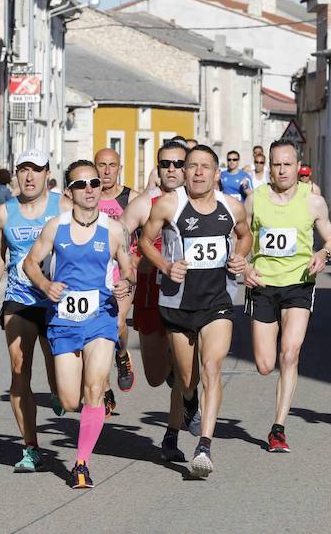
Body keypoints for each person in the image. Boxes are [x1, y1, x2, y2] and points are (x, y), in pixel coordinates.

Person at [139, 144, 252, 478]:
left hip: (218, 301)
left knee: (211, 367)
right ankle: (188, 403)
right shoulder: (169, 205)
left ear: (217, 174)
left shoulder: (232, 207)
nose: (199, 172)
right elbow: (146, 241)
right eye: (192, 166)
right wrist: (165, 265)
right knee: (187, 379)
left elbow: (245, 237)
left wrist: (239, 256)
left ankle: (204, 445)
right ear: (184, 173)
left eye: (206, 167)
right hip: (177, 303)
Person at [23, 160, 133, 488]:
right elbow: (30, 263)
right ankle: (82, 415)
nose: (89, 190)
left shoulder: (113, 229)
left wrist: (126, 283)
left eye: (95, 183)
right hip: (64, 321)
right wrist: (46, 286)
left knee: (95, 389)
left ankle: (81, 462)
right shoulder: (55, 227)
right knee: (70, 400)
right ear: (69, 192)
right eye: (81, 185)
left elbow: (129, 268)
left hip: (100, 316)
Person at [243, 140, 331, 452]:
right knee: (265, 364)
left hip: (299, 283)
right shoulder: (254, 200)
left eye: (287, 164)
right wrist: (244, 266)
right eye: (276, 164)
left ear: (299, 166)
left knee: (290, 353)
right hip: (263, 285)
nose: (282, 170)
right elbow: (239, 238)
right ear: (269, 166)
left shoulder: (313, 202)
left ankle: (278, 427)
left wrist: (323, 253)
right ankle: (277, 423)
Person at [0, 149, 73, 473]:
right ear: (16, 175)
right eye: (23, 170)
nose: (29, 176)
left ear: (47, 173)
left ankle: (58, 394)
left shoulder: (62, 206)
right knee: (19, 368)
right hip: (19, 299)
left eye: (36, 170)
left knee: (62, 385)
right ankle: (30, 447)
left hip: (57, 300)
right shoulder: (4, 213)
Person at [121, 141, 196, 462]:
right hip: (151, 295)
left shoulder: (200, 202)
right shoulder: (143, 204)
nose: (172, 169)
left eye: (179, 164)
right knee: (154, 376)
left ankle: (171, 434)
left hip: (190, 298)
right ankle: (173, 378)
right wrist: (129, 267)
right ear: (158, 166)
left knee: (185, 369)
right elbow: (118, 236)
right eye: (165, 163)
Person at [94, 148, 138, 413]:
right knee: (98, 335)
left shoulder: (130, 198)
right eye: (102, 165)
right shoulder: (87, 194)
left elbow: (145, 235)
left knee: (117, 323)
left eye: (112, 165)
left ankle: (122, 356)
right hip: (93, 273)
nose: (107, 171)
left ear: (120, 168)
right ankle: (105, 389)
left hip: (122, 271)